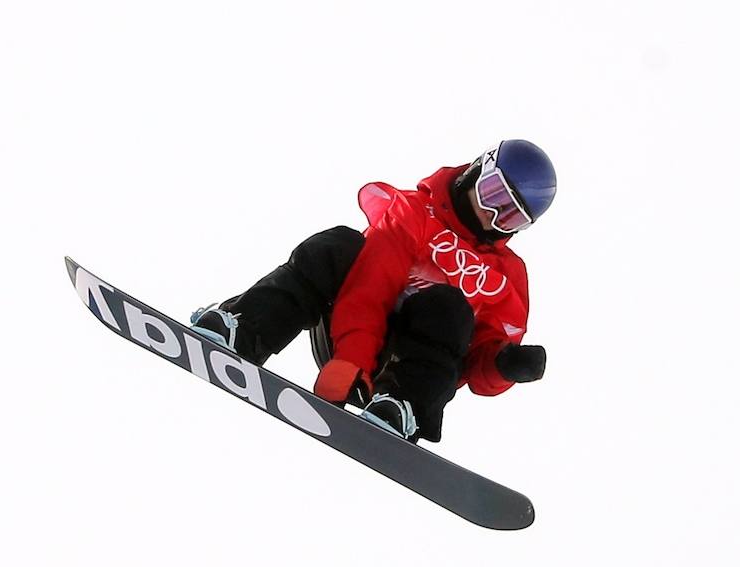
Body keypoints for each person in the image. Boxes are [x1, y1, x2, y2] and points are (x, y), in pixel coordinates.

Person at [188, 140, 555, 442]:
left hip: (416, 364)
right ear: (476, 169)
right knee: (338, 246)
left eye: (509, 216)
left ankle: (401, 406)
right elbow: (372, 283)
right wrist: (352, 360)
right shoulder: (414, 213)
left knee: (449, 306)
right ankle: (246, 329)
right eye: (492, 194)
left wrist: (503, 366)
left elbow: (479, 358)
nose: (490, 216)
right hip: (350, 333)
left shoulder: (506, 276)